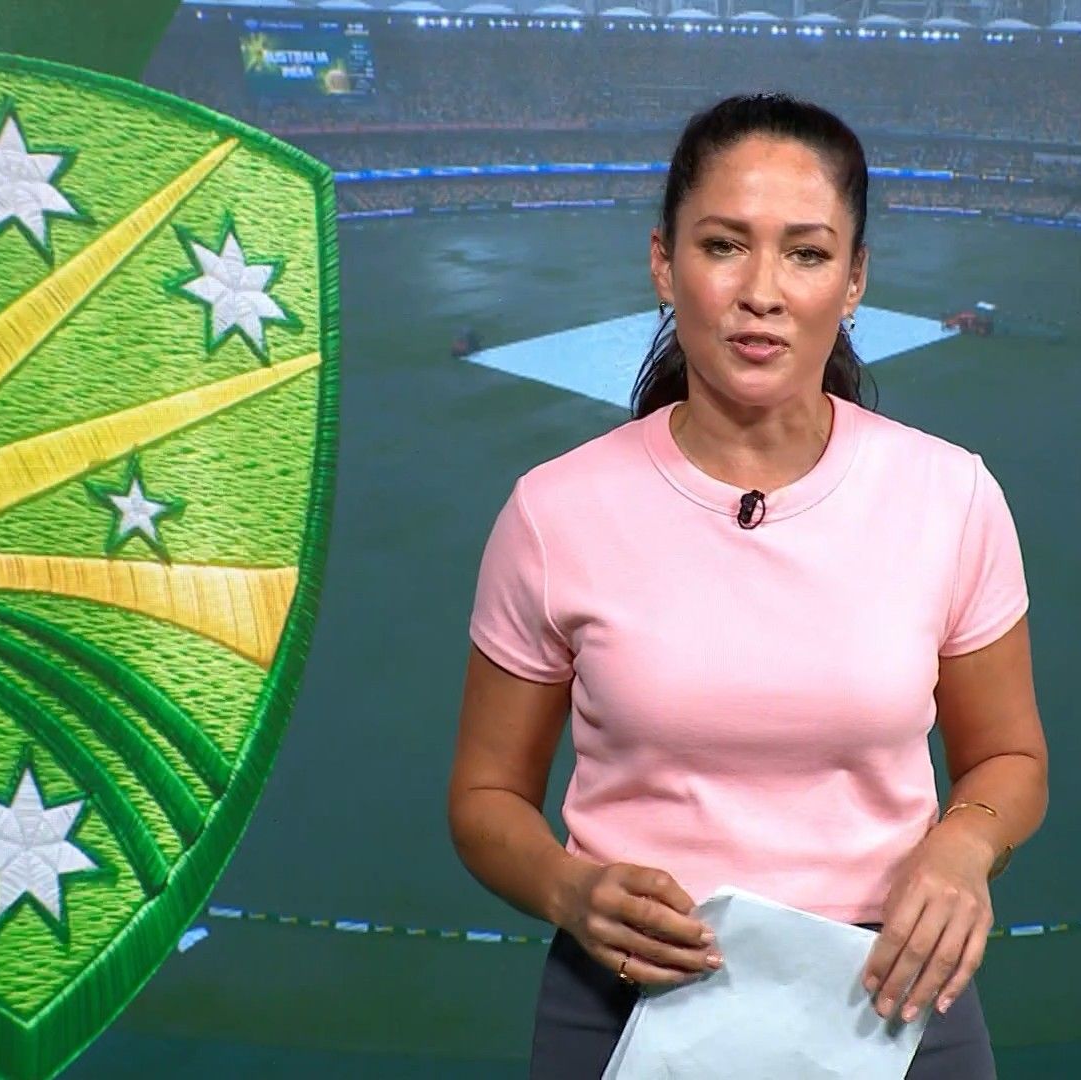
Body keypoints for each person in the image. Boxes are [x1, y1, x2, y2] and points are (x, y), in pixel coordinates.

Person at [449, 92, 1047, 1078]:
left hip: (896, 992)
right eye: (724, 245)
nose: (761, 291)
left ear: (854, 281)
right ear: (663, 262)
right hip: (625, 994)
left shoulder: (950, 495)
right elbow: (484, 797)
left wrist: (962, 848)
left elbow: (1011, 759)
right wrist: (569, 890)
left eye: (806, 254)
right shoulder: (554, 513)